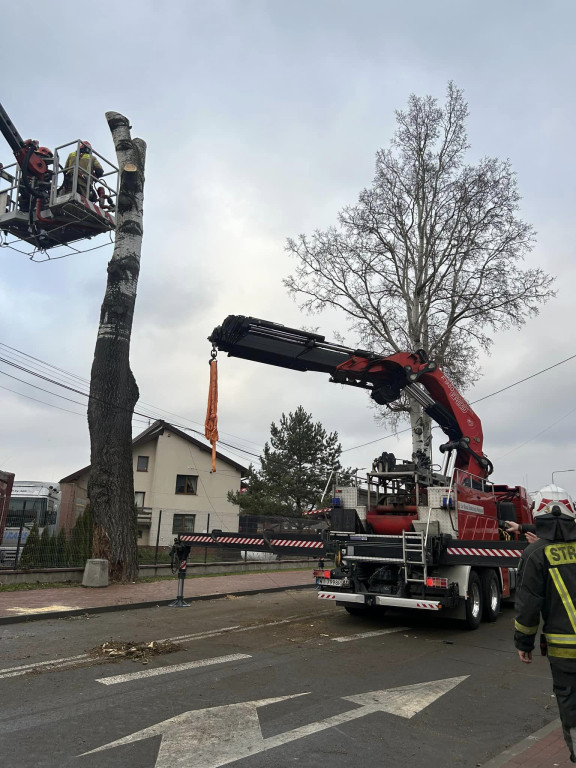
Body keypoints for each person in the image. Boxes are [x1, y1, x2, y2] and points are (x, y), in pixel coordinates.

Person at [514, 503, 576, 763]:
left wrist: (524, 643)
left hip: (565, 651)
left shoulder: (534, 554)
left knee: (571, 704)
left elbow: (528, 606)